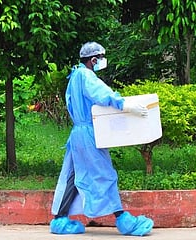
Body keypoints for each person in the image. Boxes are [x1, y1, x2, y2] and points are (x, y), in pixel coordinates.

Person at [50, 41, 154, 236]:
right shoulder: (86, 75)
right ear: (94, 59)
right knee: (104, 174)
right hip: (89, 133)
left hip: (78, 134)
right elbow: (101, 93)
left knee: (73, 177)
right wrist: (124, 105)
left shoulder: (74, 76)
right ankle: (123, 220)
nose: (103, 62)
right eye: (101, 59)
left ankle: (59, 220)